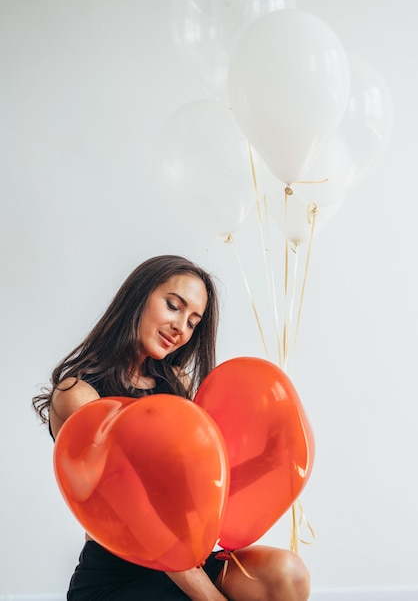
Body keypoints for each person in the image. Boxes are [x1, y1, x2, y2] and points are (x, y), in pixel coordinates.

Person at [32, 254, 310, 601]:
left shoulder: (176, 383)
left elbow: (202, 490)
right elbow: (144, 517)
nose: (182, 328)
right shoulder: (80, 396)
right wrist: (210, 598)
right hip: (120, 575)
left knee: (286, 573)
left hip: (188, 560)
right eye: (173, 306)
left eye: (194, 321)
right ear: (138, 298)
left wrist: (270, 457)